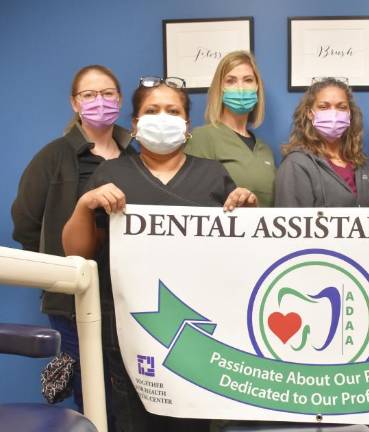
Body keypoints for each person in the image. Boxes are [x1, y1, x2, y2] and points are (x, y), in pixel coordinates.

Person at [62, 76, 257, 432]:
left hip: (198, 336)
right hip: (130, 336)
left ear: (186, 125)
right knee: (134, 422)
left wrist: (245, 213)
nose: (162, 117)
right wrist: (84, 205)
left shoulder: (212, 175)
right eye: (152, 111)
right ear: (135, 125)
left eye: (173, 111)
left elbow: (240, 260)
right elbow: (77, 253)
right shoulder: (112, 173)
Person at [11, 64, 133, 413]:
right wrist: (56, 269)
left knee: (125, 386)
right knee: (90, 386)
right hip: (72, 296)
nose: (100, 101)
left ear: (119, 99)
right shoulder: (55, 155)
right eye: (89, 95)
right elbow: (25, 222)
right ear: (75, 103)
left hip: (125, 293)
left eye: (108, 93)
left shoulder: (134, 154)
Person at [185, 51, 276, 207]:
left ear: (257, 88)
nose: (240, 88)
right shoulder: (202, 137)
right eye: (231, 81)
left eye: (248, 80)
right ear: (220, 89)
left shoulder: (264, 149)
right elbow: (190, 198)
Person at [275, 77, 369, 207]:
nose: (333, 113)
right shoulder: (296, 164)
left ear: (349, 113)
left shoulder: (361, 163)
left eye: (341, 107)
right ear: (310, 113)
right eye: (323, 107)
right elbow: (289, 223)